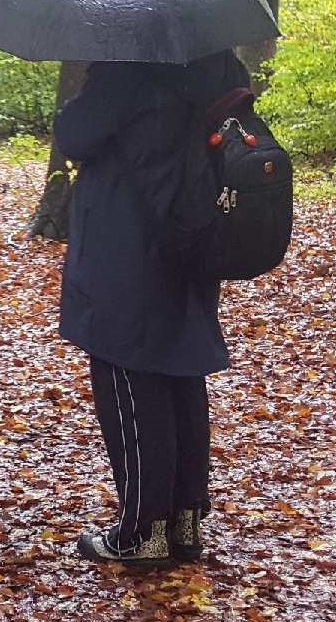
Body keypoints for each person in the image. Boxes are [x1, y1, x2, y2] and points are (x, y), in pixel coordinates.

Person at [56, 50, 248, 565]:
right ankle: (184, 521)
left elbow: (73, 135)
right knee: (180, 376)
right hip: (191, 236)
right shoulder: (211, 60)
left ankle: (144, 531)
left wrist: (88, 81)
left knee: (129, 374)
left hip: (130, 246)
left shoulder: (125, 64)